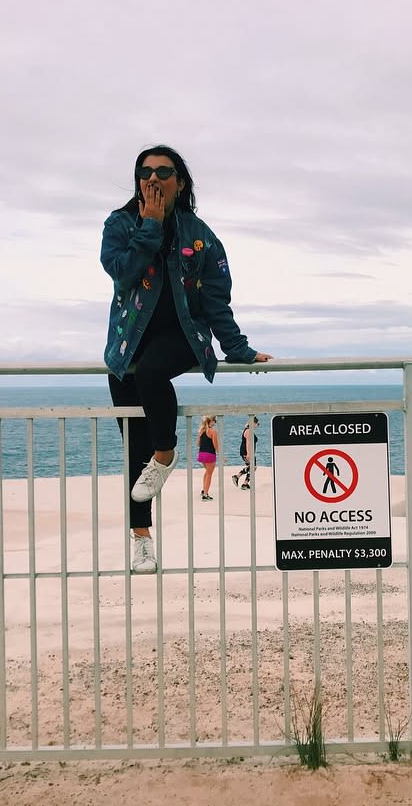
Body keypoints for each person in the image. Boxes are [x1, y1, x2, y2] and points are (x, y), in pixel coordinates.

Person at [101, 144, 273, 574]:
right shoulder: (120, 225)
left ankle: (166, 453)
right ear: (138, 179)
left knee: (156, 372)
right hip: (126, 347)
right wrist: (150, 227)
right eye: (145, 172)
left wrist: (237, 348)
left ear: (181, 183)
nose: (153, 179)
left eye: (164, 171)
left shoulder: (201, 235)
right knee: (132, 455)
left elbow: (217, 298)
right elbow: (120, 272)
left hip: (181, 337)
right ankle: (142, 540)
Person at [232, 416, 260, 491]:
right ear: (253, 423)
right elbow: (248, 443)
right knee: (252, 467)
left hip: (249, 452)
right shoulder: (248, 431)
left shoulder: (249, 430)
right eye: (257, 424)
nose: (257, 426)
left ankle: (244, 483)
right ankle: (239, 479)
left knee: (252, 467)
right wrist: (248, 454)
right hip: (246, 452)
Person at [196, 415, 219, 501]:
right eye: (214, 421)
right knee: (209, 474)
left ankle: (204, 490)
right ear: (211, 421)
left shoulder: (201, 431)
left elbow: (198, 444)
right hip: (210, 455)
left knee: (207, 472)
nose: (215, 423)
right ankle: (205, 495)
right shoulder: (213, 431)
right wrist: (221, 455)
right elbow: (216, 446)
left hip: (201, 454)